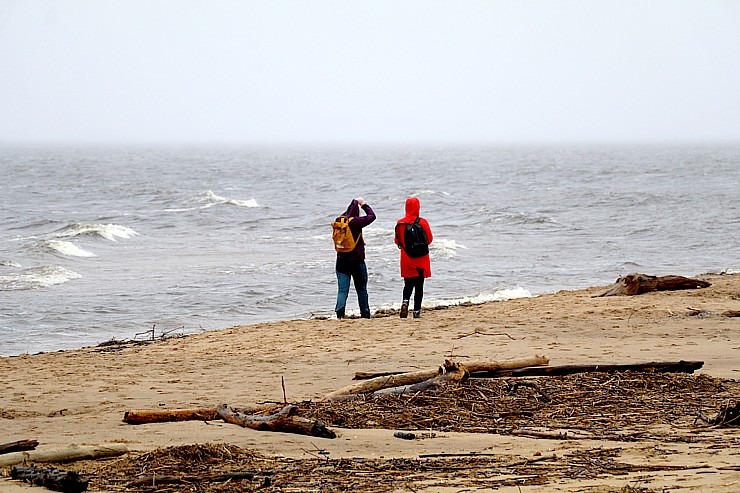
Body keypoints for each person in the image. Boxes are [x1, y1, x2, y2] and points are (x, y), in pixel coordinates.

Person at [334, 197, 376, 319]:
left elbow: (347, 214)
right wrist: (363, 204)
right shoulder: (356, 222)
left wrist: (353, 204)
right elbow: (372, 216)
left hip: (341, 261)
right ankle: (365, 313)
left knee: (342, 290)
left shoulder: (339, 221)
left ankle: (340, 313)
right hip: (357, 261)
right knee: (361, 289)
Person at [394, 197, 433, 318]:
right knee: (419, 286)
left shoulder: (400, 223)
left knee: (408, 284)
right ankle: (416, 312)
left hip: (407, 259)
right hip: (421, 259)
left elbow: (397, 241)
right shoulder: (422, 222)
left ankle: (405, 302)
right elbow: (430, 240)